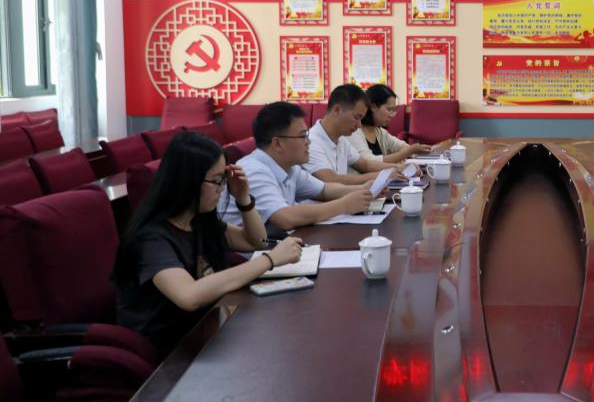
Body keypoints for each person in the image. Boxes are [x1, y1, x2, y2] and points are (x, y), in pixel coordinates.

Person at [113, 132, 302, 355]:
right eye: (216, 180)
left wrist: (243, 198)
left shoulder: (200, 220)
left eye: (224, 178)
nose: (222, 188)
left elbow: (257, 241)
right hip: (169, 352)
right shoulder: (151, 238)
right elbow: (189, 296)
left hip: (207, 331)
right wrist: (269, 260)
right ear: (188, 181)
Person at [219, 102, 373, 234]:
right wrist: (344, 205)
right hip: (247, 256)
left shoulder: (289, 167)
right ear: (278, 143)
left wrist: (364, 189)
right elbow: (285, 218)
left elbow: (323, 190)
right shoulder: (253, 171)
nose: (308, 142)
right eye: (302, 136)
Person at [307, 84, 411, 184]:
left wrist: (398, 168)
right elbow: (331, 180)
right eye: (356, 117)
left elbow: (365, 165)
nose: (359, 125)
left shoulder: (341, 140)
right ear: (337, 110)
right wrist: (382, 175)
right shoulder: (311, 142)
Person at [347, 84, 431, 163]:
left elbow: (402, 146)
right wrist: (406, 153)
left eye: (394, 110)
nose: (393, 115)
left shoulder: (379, 132)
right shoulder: (353, 131)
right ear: (373, 107)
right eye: (389, 109)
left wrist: (403, 154)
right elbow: (368, 162)